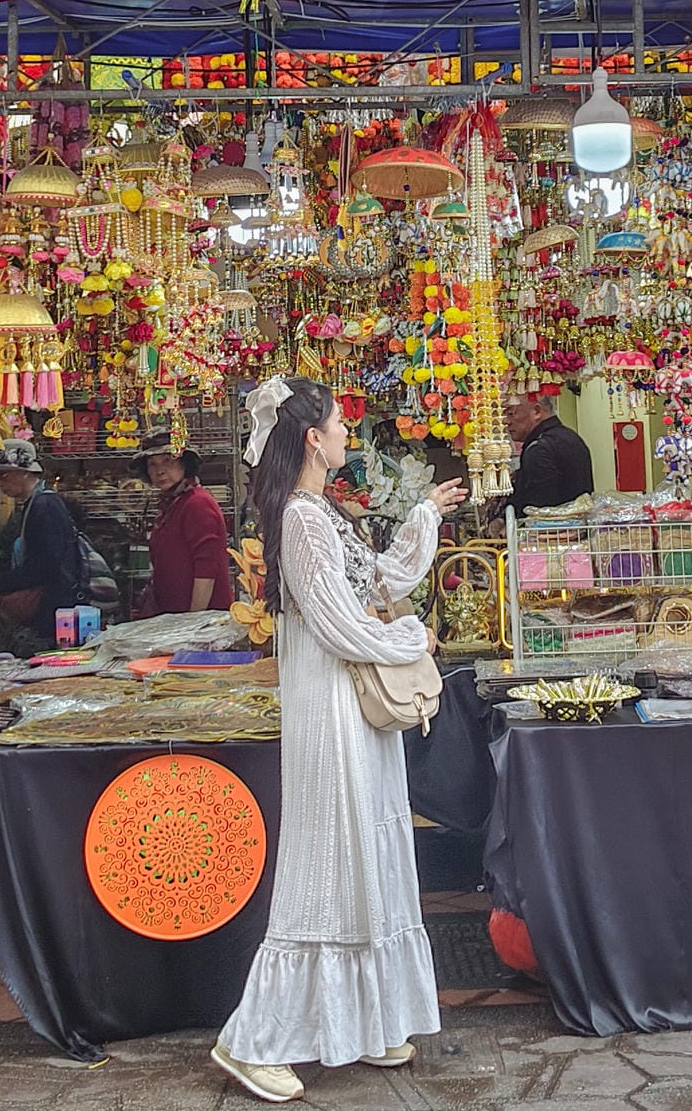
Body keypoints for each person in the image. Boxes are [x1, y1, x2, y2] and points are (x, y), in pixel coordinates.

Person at [212, 376, 467, 1103]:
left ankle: (372, 1017)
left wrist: (423, 514)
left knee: (368, 848)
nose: (348, 434)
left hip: (351, 702)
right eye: (338, 424)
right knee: (327, 859)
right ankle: (252, 1039)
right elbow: (339, 622)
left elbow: (377, 581)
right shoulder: (301, 519)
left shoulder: (322, 514)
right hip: (330, 703)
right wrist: (410, 638)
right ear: (311, 441)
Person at [0, 440, 81, 642]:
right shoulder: (36, 503)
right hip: (52, 607)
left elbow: (46, 565)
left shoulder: (44, 506)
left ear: (26, 472)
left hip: (52, 611)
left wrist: (1, 581)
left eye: (4, 475)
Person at [133, 430, 232, 616]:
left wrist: (192, 624)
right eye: (152, 464)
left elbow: (207, 569)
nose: (159, 470)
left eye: (168, 460)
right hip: (175, 617)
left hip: (203, 622)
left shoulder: (197, 503)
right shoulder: (171, 504)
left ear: (184, 463)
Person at [505, 393, 594, 514]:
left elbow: (537, 509)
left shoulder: (539, 448)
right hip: (579, 527)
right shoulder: (571, 437)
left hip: (552, 530)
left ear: (537, 411)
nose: (506, 421)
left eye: (511, 414)